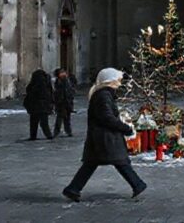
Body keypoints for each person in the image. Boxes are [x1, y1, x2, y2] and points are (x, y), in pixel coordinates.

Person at [63, 68, 147, 202]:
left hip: (101, 137)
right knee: (119, 161)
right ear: (110, 81)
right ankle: (137, 184)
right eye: (118, 79)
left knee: (93, 163)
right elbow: (107, 117)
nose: (120, 82)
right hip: (105, 137)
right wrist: (125, 128)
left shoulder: (104, 94)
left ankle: (73, 189)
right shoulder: (103, 95)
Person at [23, 69, 54, 140]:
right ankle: (48, 135)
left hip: (36, 106)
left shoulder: (37, 84)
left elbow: (30, 92)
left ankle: (35, 136)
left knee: (35, 122)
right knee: (43, 122)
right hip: (43, 106)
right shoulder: (46, 83)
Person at [53, 68, 75, 137]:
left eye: (63, 72)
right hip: (61, 103)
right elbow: (59, 93)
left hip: (66, 102)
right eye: (61, 73)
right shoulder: (59, 81)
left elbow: (69, 91)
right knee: (60, 118)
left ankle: (68, 131)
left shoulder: (66, 81)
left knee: (66, 118)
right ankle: (57, 132)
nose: (63, 74)